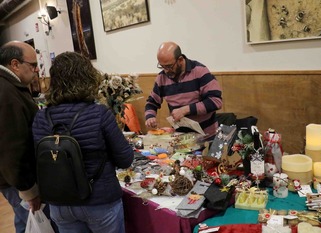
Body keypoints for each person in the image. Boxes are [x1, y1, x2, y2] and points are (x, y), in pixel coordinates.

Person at [32, 51, 134, 233]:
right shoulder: (99, 113)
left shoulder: (41, 117)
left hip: (60, 202)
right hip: (100, 200)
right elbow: (125, 159)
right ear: (87, 78)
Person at [0, 41, 42, 233]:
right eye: (33, 65)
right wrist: (29, 191)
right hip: (15, 180)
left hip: (12, 178)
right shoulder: (7, 92)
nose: (36, 70)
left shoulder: (10, 85)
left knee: (23, 221)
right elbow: (12, 147)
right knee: (29, 222)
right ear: (15, 64)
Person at [145, 41, 223, 140]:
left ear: (180, 60)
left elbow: (216, 101)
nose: (166, 71)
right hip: (181, 137)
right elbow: (152, 103)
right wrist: (150, 116)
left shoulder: (199, 71)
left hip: (207, 136)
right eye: (162, 66)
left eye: (169, 66)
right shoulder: (161, 78)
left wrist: (185, 110)